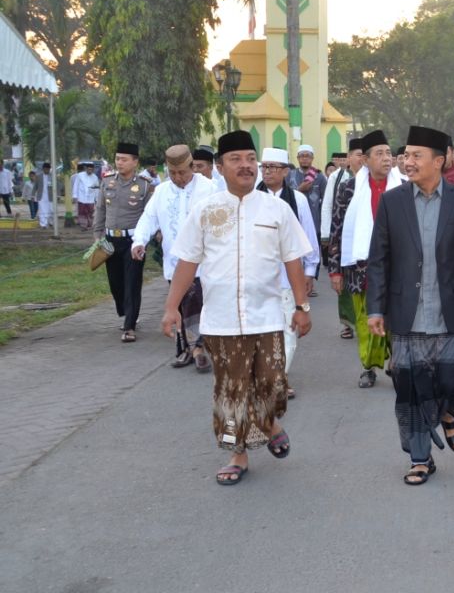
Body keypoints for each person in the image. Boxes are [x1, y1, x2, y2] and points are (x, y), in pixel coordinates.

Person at [161, 130, 313, 487]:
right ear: (219, 167)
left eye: (250, 158)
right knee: (231, 392)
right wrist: (172, 308)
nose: (245, 166)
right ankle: (237, 454)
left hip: (268, 315)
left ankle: (270, 422)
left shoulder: (277, 209)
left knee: (272, 385)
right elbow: (187, 262)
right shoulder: (206, 211)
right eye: (236, 159)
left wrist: (302, 306)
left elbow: (293, 259)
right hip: (222, 320)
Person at [367, 125, 454, 485]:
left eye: (416, 155)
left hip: (449, 308)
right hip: (406, 310)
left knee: (451, 378)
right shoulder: (393, 201)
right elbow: (379, 259)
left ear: (440, 161)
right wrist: (376, 309)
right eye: (405, 155)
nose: (407, 161)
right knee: (409, 386)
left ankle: (449, 414)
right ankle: (420, 458)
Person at [329, 130, 403, 388]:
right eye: (379, 154)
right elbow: (337, 229)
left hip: (396, 267)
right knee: (365, 319)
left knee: (395, 317)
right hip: (360, 267)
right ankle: (368, 366)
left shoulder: (404, 187)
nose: (386, 158)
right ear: (366, 160)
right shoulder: (349, 188)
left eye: (388, 153)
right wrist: (335, 270)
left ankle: (397, 362)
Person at [131, 145, 216, 370]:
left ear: (192, 168)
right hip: (174, 262)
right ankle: (186, 350)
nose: (178, 178)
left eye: (182, 173)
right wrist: (139, 241)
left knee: (198, 305)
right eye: (173, 173)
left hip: (203, 263)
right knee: (177, 305)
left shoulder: (210, 189)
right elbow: (148, 218)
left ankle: (198, 348)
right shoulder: (161, 192)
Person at [257, 147, 320, 399]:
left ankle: (279, 376)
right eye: (265, 167)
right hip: (258, 276)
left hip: (288, 276)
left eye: (273, 167)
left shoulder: (298, 199)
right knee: (261, 329)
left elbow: (308, 236)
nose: (268, 172)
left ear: (285, 171)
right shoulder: (251, 197)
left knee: (288, 329)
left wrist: (310, 270)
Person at [93, 143, 153, 342]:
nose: (120, 163)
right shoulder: (107, 182)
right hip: (110, 240)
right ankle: (126, 312)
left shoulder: (145, 186)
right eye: (118, 158)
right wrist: (97, 234)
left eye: (124, 159)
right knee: (115, 283)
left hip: (133, 241)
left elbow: (150, 215)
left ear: (135, 162)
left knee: (132, 283)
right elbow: (100, 209)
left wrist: (146, 239)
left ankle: (129, 325)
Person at [322, 144, 362, 339]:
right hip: (346, 243)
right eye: (358, 155)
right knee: (345, 285)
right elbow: (330, 208)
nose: (362, 159)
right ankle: (347, 323)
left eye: (365, 155)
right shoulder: (340, 180)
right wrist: (326, 236)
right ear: (349, 158)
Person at [295, 143, 327, 291]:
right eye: (302, 156)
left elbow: (326, 201)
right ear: (297, 158)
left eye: (307, 156)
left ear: (312, 158)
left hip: (315, 221)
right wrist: (300, 189)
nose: (305, 159)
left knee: (313, 251)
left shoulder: (319, 177)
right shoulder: (291, 175)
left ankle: (311, 282)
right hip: (295, 221)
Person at [72, 162, 100, 229]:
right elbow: (76, 186)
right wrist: (75, 196)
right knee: (82, 212)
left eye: (91, 169)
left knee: (90, 212)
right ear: (86, 169)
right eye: (88, 169)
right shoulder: (80, 175)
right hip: (82, 197)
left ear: (93, 170)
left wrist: (97, 199)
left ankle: (89, 224)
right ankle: (83, 225)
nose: (90, 171)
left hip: (91, 198)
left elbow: (96, 189)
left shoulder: (95, 177)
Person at [36, 162, 54, 228]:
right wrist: (32, 195)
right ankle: (43, 224)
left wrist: (58, 195)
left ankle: (51, 222)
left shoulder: (52, 176)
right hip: (41, 197)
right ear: (43, 169)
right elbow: (35, 186)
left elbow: (57, 186)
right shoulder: (38, 176)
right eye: (45, 169)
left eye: (48, 169)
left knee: (51, 210)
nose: (47, 170)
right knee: (42, 210)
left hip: (51, 197)